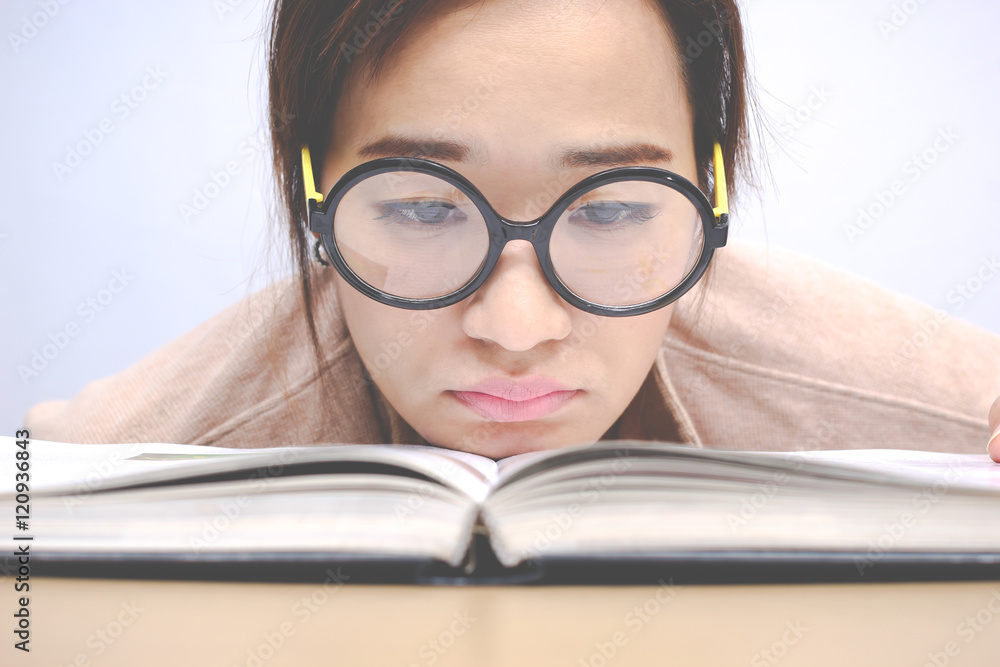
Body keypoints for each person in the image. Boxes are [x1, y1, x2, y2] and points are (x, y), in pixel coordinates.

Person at [22, 0, 1000, 462]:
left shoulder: (878, 382)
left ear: (710, 190)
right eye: (421, 207)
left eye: (613, 208)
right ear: (313, 191)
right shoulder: (134, 449)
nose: (518, 327)